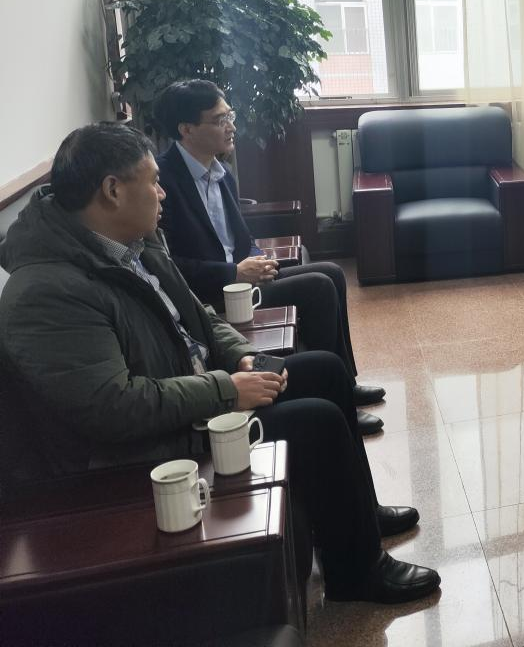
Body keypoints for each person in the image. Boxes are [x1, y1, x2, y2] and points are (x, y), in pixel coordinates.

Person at [0, 123, 439, 604]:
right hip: (151, 443)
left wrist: (240, 355)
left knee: (325, 371)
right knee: (317, 421)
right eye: (153, 181)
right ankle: (357, 573)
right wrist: (226, 389)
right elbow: (112, 407)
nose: (162, 192)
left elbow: (201, 316)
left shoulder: (134, 244)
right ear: (112, 190)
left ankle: (362, 515)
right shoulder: (47, 291)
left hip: (196, 393)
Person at [151, 79, 385, 436]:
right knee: (318, 286)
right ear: (187, 129)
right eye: (220, 120)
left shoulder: (221, 173)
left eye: (230, 116)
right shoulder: (163, 184)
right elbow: (172, 268)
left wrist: (257, 259)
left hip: (242, 281)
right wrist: (233, 272)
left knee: (332, 273)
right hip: (214, 293)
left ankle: (345, 385)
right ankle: (339, 401)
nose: (231, 126)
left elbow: (240, 238)